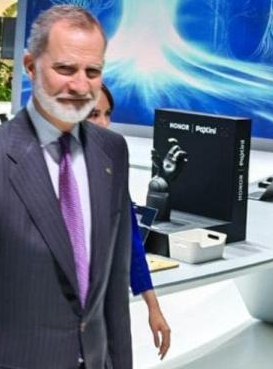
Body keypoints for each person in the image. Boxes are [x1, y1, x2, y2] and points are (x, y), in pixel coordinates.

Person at [0, 5, 133, 369]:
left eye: (93, 71)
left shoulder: (111, 153)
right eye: (65, 69)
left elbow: (113, 285)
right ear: (30, 65)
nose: (80, 85)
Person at [87, 85, 172, 360]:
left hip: (109, 303)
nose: (103, 123)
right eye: (93, 114)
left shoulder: (112, 164)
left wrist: (153, 306)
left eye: (107, 114)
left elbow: (131, 242)